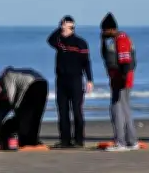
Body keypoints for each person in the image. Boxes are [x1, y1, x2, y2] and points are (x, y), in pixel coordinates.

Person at [47, 15, 93, 148]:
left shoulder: (80, 43)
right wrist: (59, 27)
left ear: (72, 27)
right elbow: (49, 40)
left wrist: (89, 79)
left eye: (65, 26)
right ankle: (65, 140)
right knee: (62, 111)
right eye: (62, 25)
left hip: (76, 80)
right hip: (61, 80)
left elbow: (86, 62)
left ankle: (79, 140)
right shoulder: (59, 42)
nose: (63, 28)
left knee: (77, 111)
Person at [0, 67, 49, 148]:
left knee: (32, 116)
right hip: (40, 82)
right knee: (32, 116)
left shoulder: (7, 79)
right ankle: (29, 140)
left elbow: (13, 101)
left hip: (34, 85)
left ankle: (28, 141)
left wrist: (18, 114)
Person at [100, 13, 139, 152]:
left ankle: (121, 141)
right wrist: (102, 41)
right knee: (125, 108)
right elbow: (105, 56)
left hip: (121, 80)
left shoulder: (121, 40)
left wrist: (122, 79)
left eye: (104, 30)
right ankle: (131, 141)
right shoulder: (114, 40)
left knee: (117, 110)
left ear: (111, 29)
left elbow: (125, 61)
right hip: (118, 80)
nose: (103, 33)